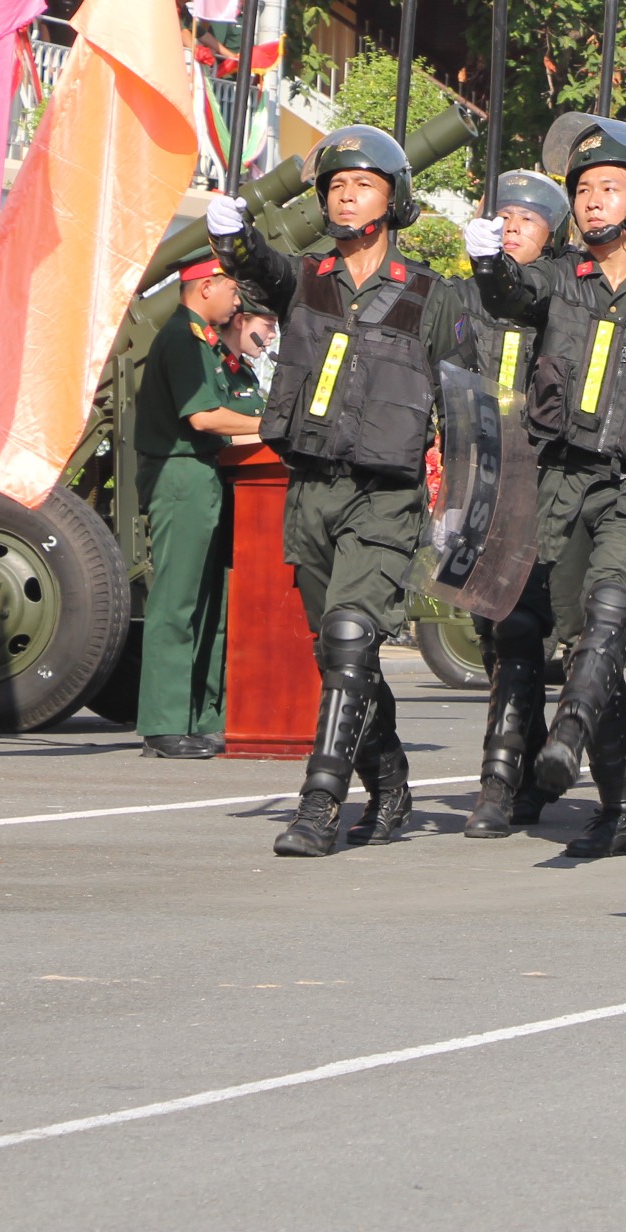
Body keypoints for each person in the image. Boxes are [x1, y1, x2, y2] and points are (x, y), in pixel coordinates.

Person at [206, 126, 467, 857]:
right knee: (340, 655)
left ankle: (319, 803)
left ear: (394, 198)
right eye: (336, 186)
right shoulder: (307, 281)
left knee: (353, 637)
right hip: (313, 491)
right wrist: (233, 238)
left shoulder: (431, 297)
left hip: (385, 495)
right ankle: (388, 780)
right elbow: (258, 267)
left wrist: (469, 505)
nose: (346, 196)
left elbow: (473, 396)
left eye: (363, 185)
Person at [467, 126, 626, 858]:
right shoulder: (556, 283)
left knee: (612, 610)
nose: (593, 201)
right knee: (579, 641)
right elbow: (508, 291)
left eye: (610, 187)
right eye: (582, 189)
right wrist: (487, 262)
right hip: (564, 480)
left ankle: (568, 733)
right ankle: (622, 799)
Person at [448, 168, 571, 840]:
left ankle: (499, 781)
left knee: (520, 628)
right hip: (476, 480)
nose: (514, 225)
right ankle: (524, 755)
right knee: (489, 636)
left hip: (538, 481)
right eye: (506, 216)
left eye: (529, 219)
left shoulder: (556, 296)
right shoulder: (462, 295)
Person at [130, 258, 263, 758]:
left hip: (204, 473)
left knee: (211, 603)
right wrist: (275, 429)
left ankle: (203, 716)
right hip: (180, 473)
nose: (238, 300)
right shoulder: (184, 340)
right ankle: (164, 724)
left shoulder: (203, 341)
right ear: (205, 286)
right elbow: (205, 416)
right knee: (178, 600)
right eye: (232, 288)